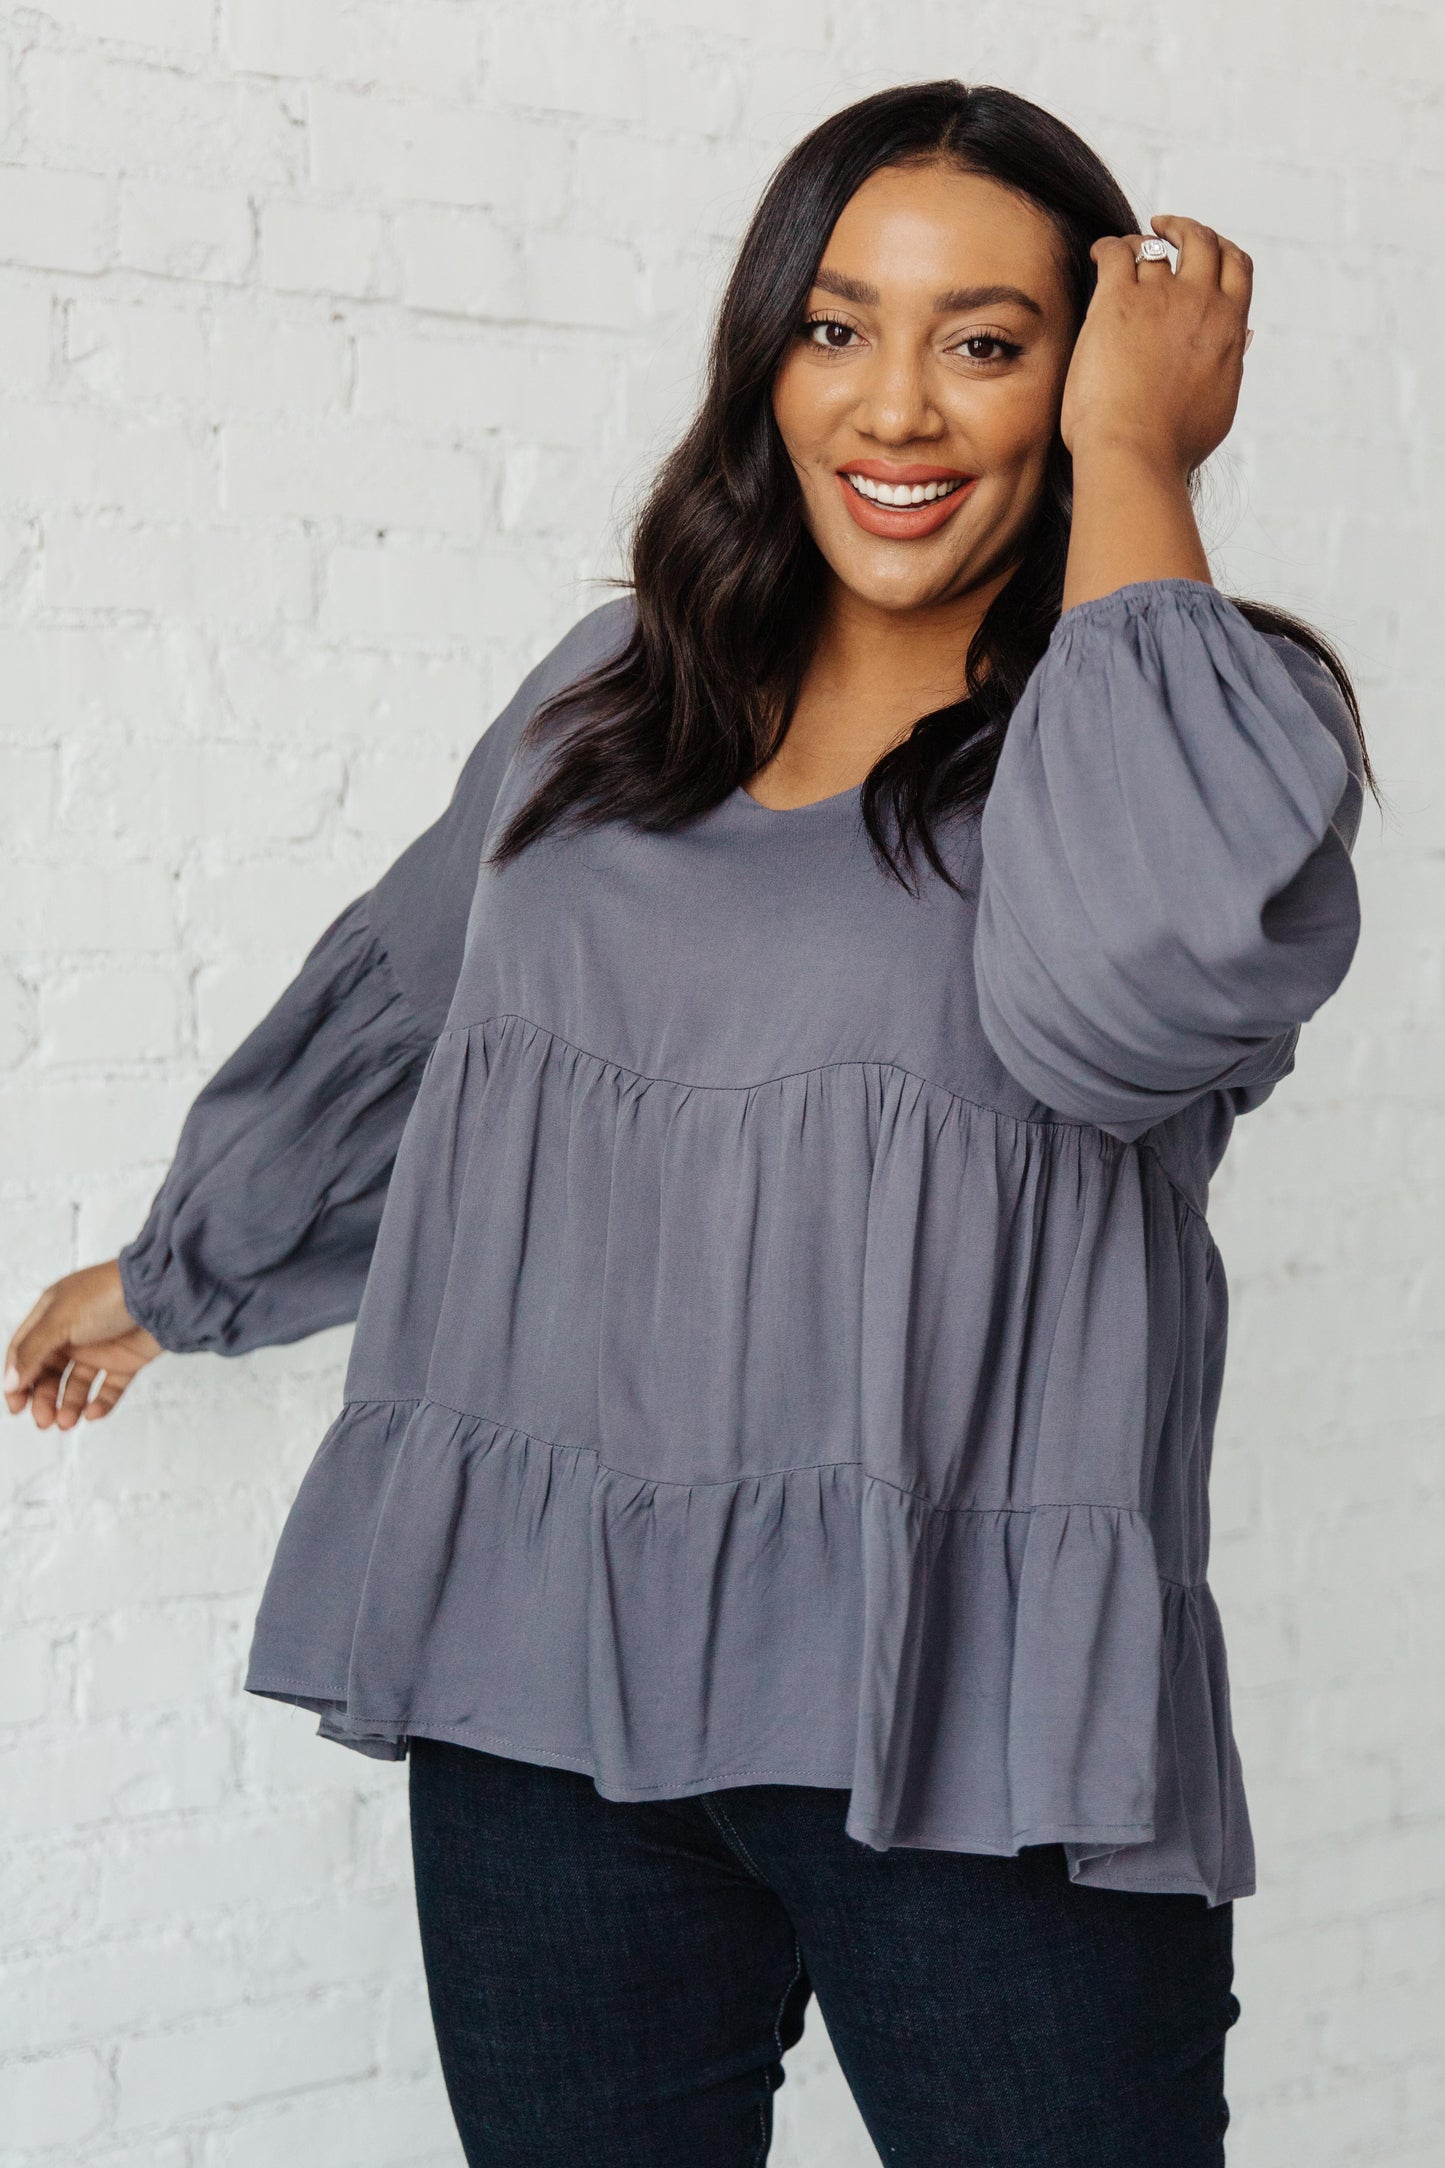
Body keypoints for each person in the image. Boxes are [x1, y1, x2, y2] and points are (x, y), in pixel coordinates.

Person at [5, 79, 1373, 2168]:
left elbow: (1126, 1009)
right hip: (543, 1689)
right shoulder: (609, 697)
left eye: (987, 343)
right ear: (764, 357)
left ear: (1090, 372)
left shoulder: (1188, 737)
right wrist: (184, 1270)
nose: (894, 408)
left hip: (979, 1719)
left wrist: (1134, 466)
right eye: (836, 327)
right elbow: (425, 1014)